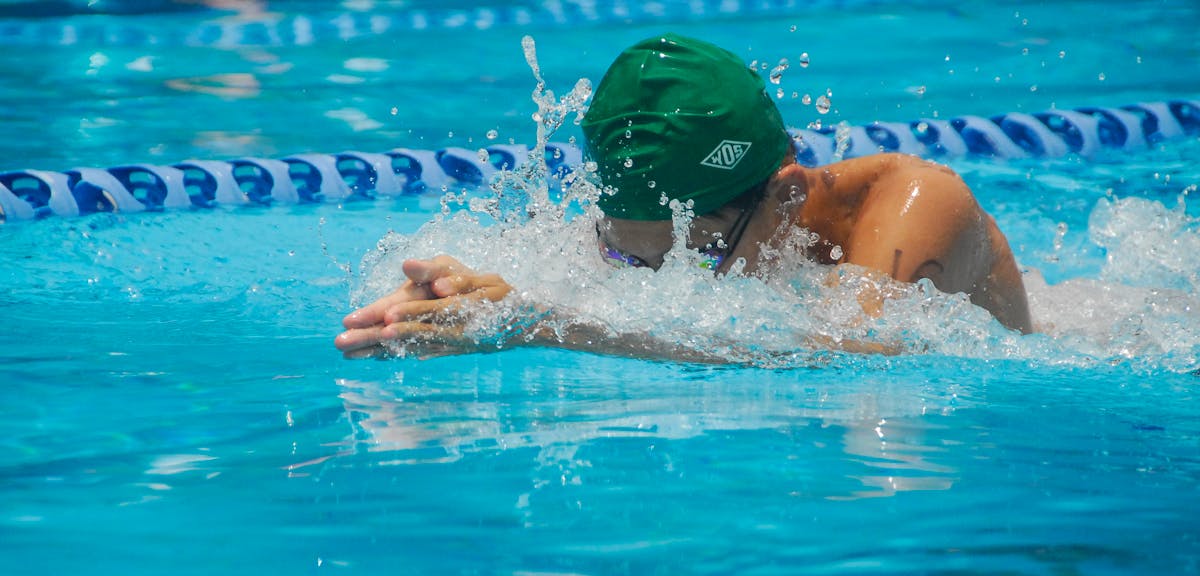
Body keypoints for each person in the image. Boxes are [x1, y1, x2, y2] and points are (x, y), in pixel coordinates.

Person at [335, 33, 1033, 360]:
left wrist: (553, 325)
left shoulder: (918, 207)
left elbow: (863, 355)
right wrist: (489, 295)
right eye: (626, 258)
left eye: (696, 257)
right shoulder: (677, 228)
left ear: (785, 201)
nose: (665, 286)